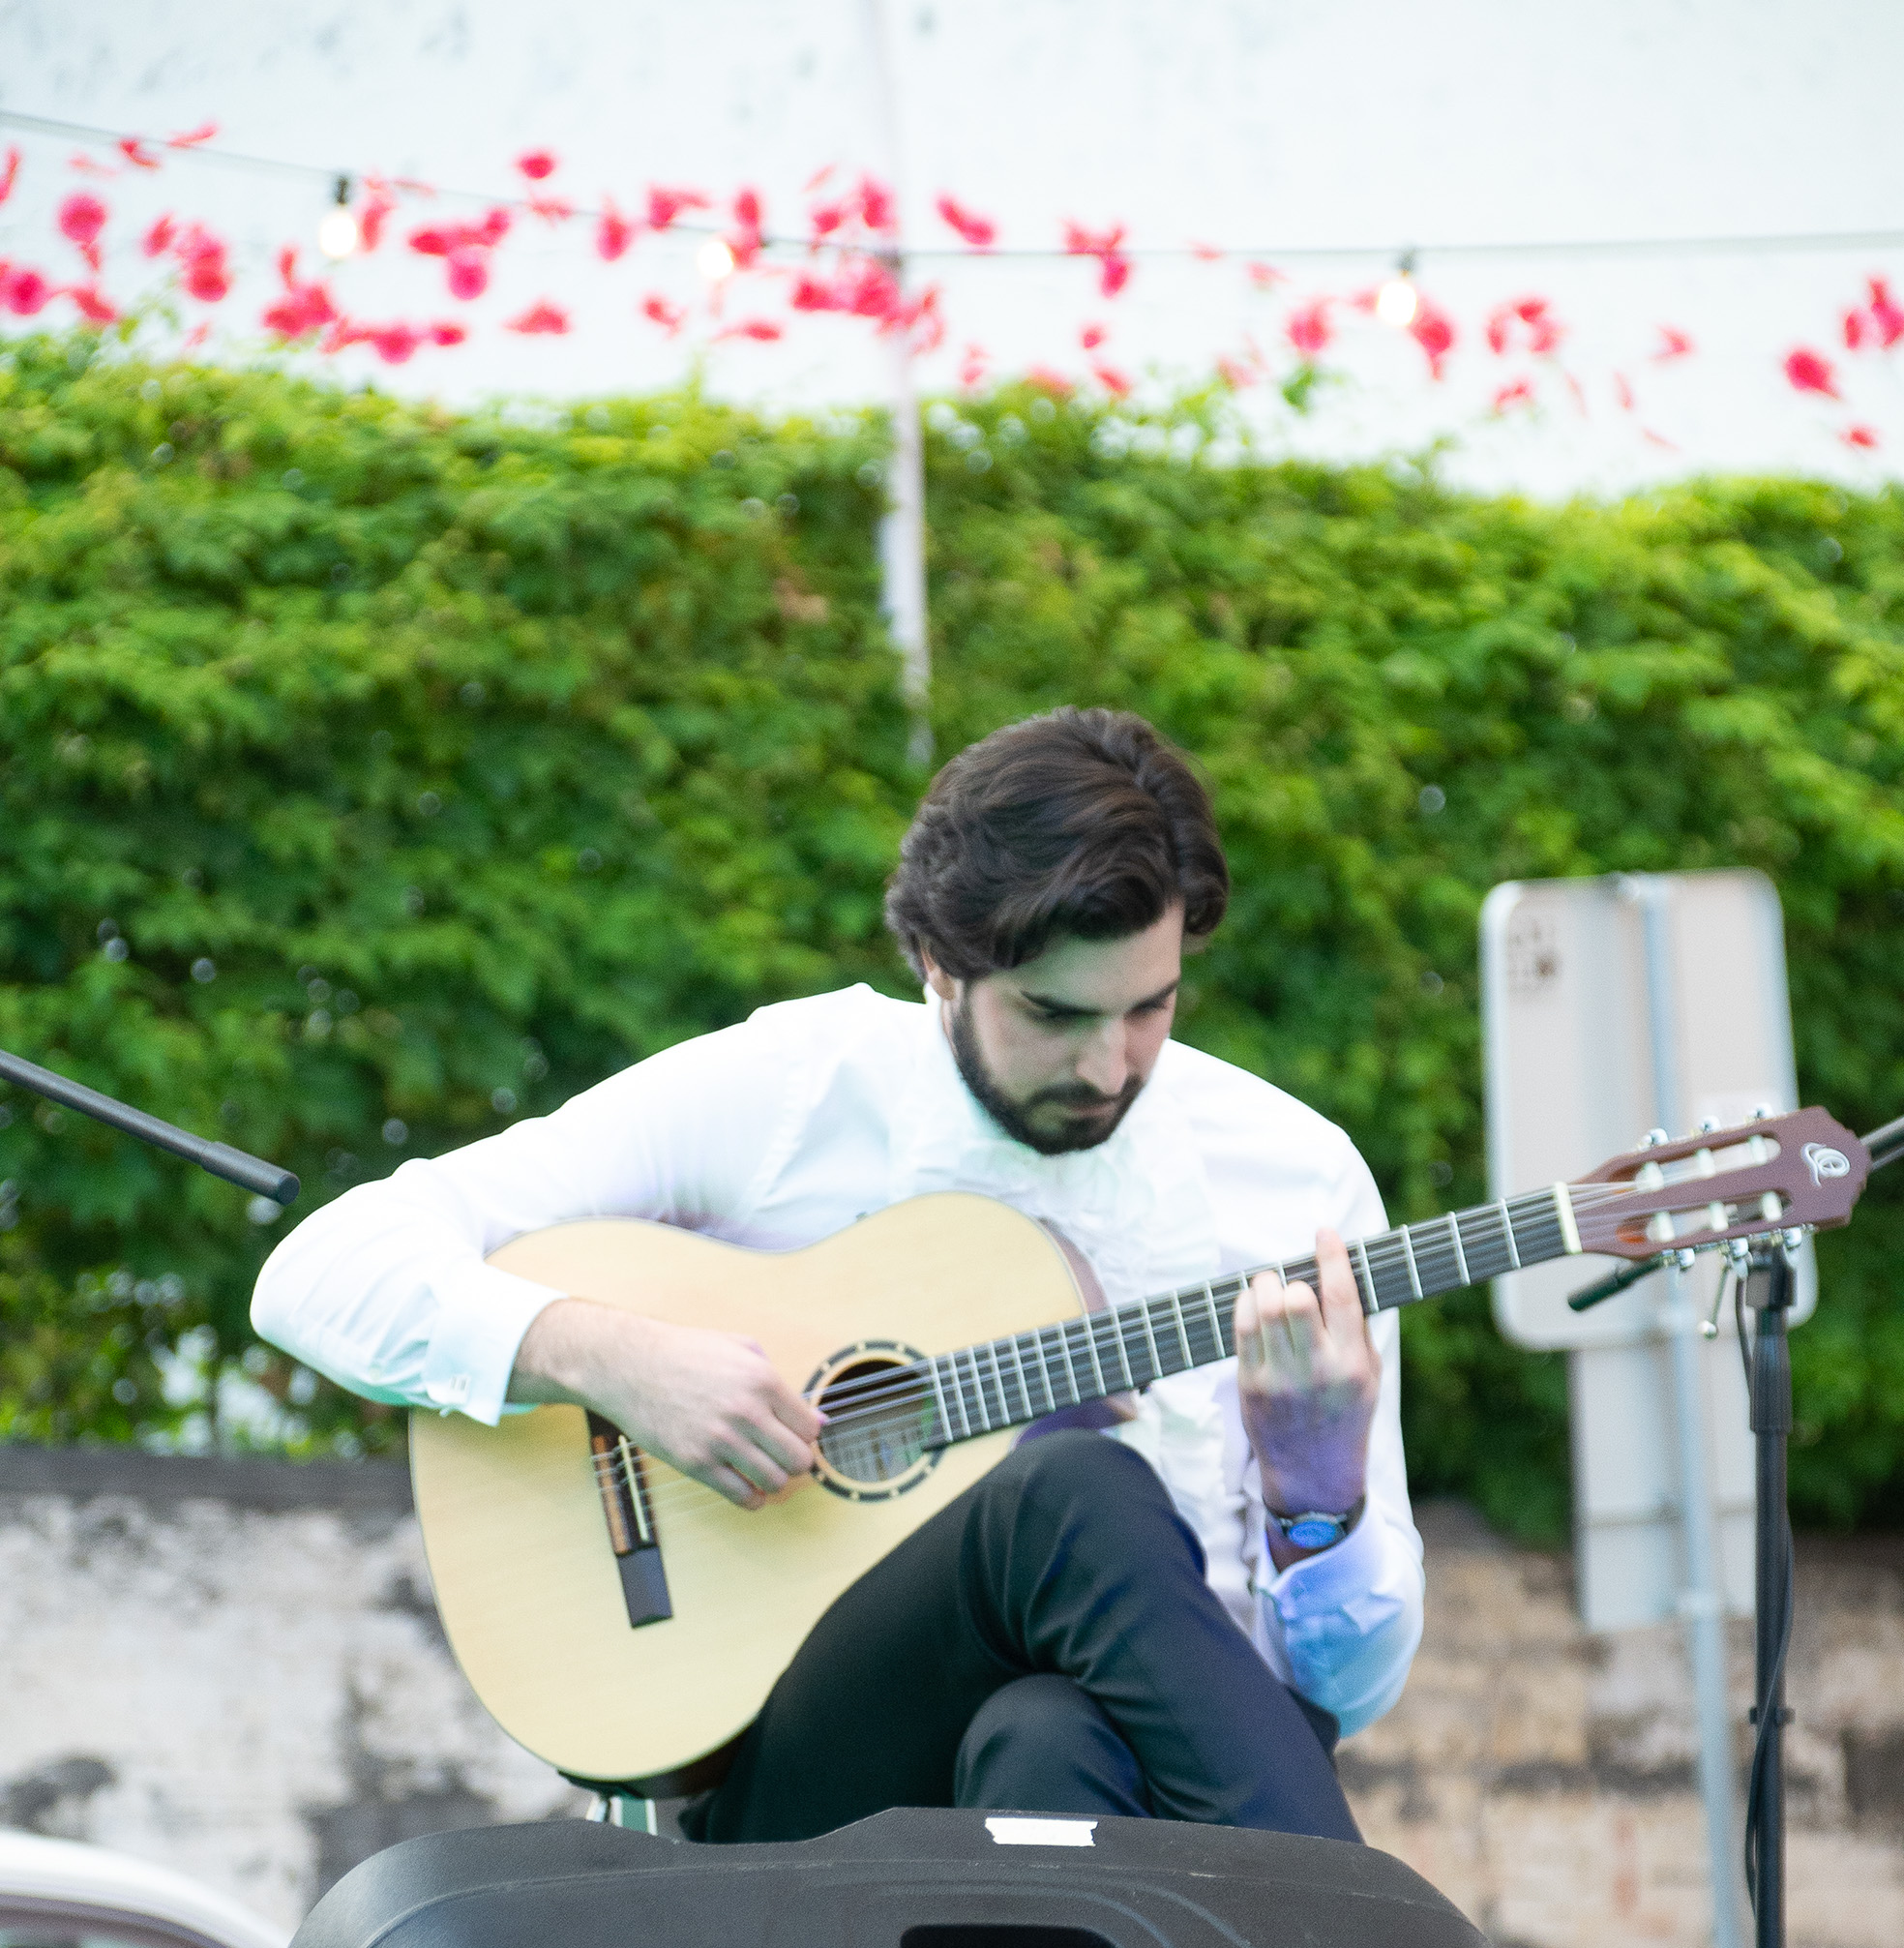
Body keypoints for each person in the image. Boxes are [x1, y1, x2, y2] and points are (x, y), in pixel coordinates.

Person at [253, 707, 1423, 1843]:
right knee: (1076, 1489)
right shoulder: (790, 1095)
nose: (1110, 1064)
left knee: (1049, 1737)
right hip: (820, 1773)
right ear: (938, 964)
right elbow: (319, 1269)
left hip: (1158, 1787)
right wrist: (607, 1357)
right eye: (1053, 1014)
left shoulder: (1296, 1182)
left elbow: (1351, 1693)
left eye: (1150, 1007)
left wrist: (1318, 1504)